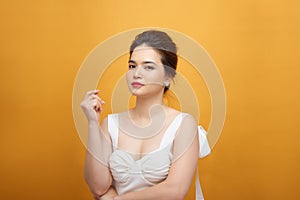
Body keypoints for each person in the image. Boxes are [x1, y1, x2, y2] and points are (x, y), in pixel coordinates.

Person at [80, 30, 201, 200]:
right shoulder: (111, 124)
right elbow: (98, 187)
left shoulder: (183, 124)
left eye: (148, 66)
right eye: (132, 66)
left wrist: (117, 199)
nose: (136, 73)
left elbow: (176, 189)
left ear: (167, 77)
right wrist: (93, 123)